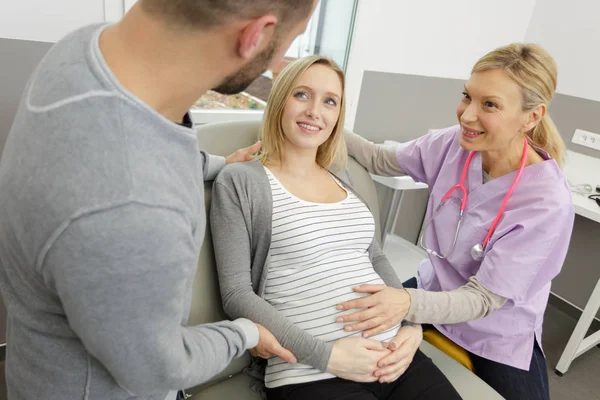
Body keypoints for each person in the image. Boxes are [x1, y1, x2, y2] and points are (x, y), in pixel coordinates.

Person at [0, 1, 319, 399]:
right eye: (288, 44)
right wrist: (244, 332)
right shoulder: (131, 207)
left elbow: (139, 141)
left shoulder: (85, 52)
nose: (280, 65)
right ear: (255, 35)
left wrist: (217, 163)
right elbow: (157, 368)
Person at [210, 55, 462, 400]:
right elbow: (237, 294)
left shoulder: (341, 175)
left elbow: (374, 256)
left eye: (330, 101)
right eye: (302, 95)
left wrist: (411, 325)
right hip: (311, 372)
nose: (316, 110)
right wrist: (327, 357)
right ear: (280, 100)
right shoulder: (241, 181)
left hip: (396, 357)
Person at [337, 43, 575, 400]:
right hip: (432, 288)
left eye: (489, 104)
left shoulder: (546, 202)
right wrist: (322, 122)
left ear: (531, 117)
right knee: (341, 335)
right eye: (467, 95)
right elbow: (380, 159)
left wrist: (406, 304)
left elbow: (481, 300)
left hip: (492, 327)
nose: (466, 115)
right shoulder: (455, 144)